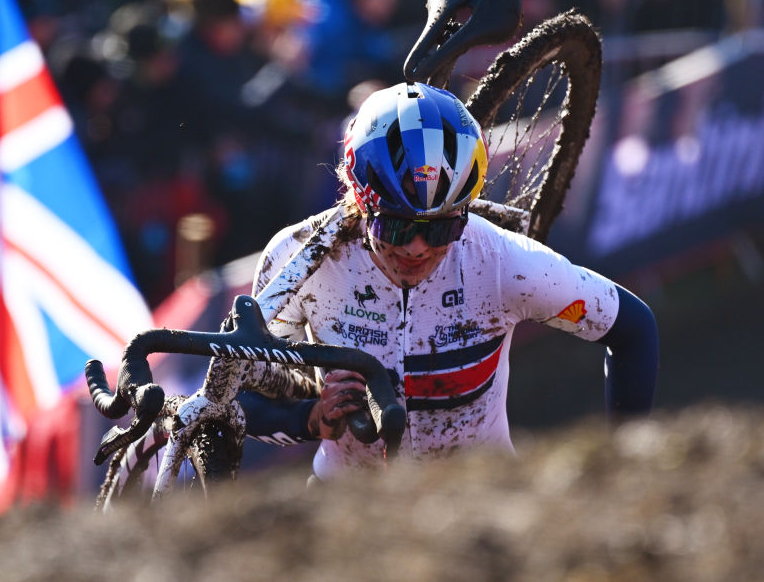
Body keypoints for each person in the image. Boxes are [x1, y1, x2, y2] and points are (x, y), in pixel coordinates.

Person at [241, 81, 658, 478]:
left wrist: (624, 468)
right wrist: (309, 418)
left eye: (440, 228)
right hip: (348, 502)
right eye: (398, 228)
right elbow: (240, 391)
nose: (418, 248)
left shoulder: (501, 260)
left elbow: (633, 328)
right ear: (361, 202)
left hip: (480, 501)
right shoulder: (298, 258)